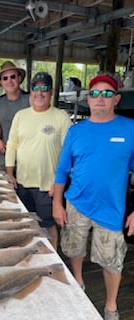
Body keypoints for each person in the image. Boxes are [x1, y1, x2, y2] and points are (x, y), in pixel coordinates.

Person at [52, 74, 134, 320]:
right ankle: (78, 280)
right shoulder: (76, 131)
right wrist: (57, 202)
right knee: (74, 247)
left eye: (107, 94)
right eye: (95, 93)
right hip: (76, 203)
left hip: (112, 210)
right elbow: (62, 169)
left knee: (112, 261)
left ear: (116, 99)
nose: (101, 98)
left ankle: (110, 306)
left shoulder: (130, 128)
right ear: (88, 99)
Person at [5, 72, 72, 249]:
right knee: (26, 223)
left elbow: (68, 154)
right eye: (35, 87)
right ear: (31, 91)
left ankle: (53, 258)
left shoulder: (61, 117)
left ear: (51, 92)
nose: (40, 92)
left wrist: (58, 185)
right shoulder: (20, 115)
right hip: (22, 183)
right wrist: (10, 173)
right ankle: (31, 256)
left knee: (48, 226)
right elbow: (12, 145)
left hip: (47, 187)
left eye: (45, 88)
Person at [0, 61, 30, 170]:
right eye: (5, 78)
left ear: (19, 78)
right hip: (4, 156)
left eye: (13, 77)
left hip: (26, 157)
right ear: (1, 82)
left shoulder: (30, 99)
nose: (9, 81)